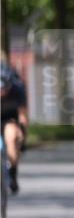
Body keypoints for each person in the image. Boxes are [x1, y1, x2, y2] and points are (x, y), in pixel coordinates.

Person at [0, 63, 28, 194]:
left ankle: (12, 173)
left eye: (5, 89)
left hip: (9, 120)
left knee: (11, 136)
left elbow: (22, 117)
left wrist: (23, 136)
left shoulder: (18, 90)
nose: (2, 93)